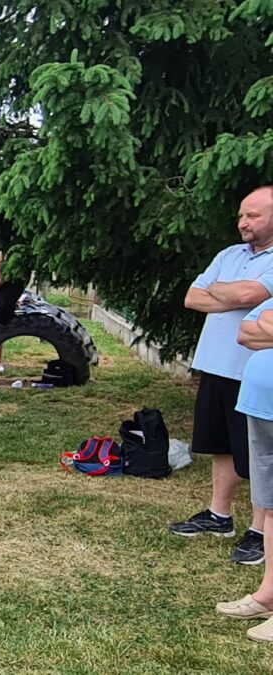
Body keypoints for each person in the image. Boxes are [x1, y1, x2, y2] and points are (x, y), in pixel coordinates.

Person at [169, 186, 273, 565]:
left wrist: (220, 291)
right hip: (215, 366)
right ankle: (219, 516)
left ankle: (261, 532)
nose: (243, 223)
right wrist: (232, 293)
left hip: (252, 374)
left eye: (253, 216)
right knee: (220, 445)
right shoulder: (229, 254)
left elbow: (250, 296)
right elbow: (192, 297)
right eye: (241, 215)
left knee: (257, 455)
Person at [218, 296, 273, 640]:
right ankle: (268, 595)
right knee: (270, 507)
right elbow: (247, 331)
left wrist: (268, 323)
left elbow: (265, 323)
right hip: (261, 407)